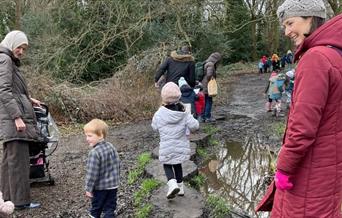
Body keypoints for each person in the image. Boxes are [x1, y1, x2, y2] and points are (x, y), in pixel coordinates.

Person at [256, 0, 342, 217]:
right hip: (330, 168)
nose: (286, 31)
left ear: (310, 19)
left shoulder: (316, 59)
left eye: (290, 23)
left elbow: (302, 129)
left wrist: (283, 168)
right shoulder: (336, 55)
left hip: (308, 171)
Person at [0, 30, 42, 209]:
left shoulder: (7, 60)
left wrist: (29, 99)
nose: (21, 51)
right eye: (19, 47)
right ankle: (20, 202)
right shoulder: (5, 60)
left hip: (10, 118)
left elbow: (13, 90)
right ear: (11, 43)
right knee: (18, 162)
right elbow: (3, 90)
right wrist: (17, 117)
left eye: (24, 49)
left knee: (10, 162)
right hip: (12, 120)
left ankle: (6, 201)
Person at [151, 82, 199, 199]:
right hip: (180, 146)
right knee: (177, 165)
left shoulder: (159, 113)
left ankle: (172, 184)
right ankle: (180, 188)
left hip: (166, 146)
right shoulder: (184, 113)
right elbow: (195, 126)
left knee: (167, 165)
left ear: (164, 98)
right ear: (178, 97)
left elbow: (154, 127)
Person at [84, 119, 120, 218]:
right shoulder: (111, 146)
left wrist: (88, 189)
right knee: (110, 208)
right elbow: (117, 164)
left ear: (100, 135)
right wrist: (116, 180)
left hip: (100, 188)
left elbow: (92, 173)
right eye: (86, 135)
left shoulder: (94, 153)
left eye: (90, 136)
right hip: (113, 186)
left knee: (96, 209)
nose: (87, 139)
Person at [201, 52, 221, 122]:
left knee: (205, 101)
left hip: (203, 84)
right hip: (208, 85)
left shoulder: (206, 62)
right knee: (209, 101)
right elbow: (209, 74)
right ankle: (207, 117)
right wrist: (212, 77)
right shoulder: (211, 64)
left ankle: (203, 116)